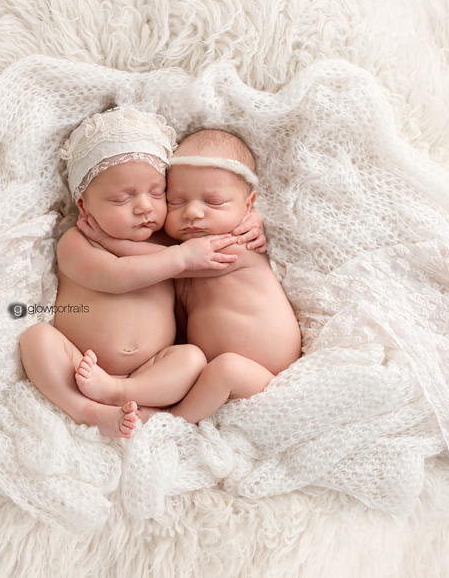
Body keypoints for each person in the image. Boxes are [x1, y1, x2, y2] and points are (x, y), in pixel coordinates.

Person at [19, 108, 263, 439]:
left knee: (191, 358)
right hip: (79, 361)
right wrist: (180, 258)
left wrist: (252, 221)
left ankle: (125, 395)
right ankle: (86, 410)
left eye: (158, 193)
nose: (145, 207)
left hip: (150, 370)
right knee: (37, 339)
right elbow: (116, 275)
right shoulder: (77, 240)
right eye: (123, 197)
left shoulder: (173, 239)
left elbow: (220, 226)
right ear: (84, 207)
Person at [77, 128, 302, 424]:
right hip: (206, 375)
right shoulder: (184, 249)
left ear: (247, 206)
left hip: (261, 376)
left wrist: (109, 243)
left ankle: (172, 421)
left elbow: (173, 261)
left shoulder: (240, 241)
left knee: (228, 369)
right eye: (176, 202)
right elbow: (167, 260)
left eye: (213, 202)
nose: (193, 213)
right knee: (196, 363)